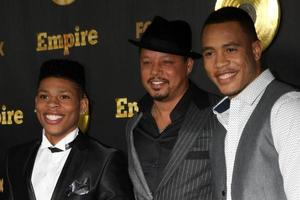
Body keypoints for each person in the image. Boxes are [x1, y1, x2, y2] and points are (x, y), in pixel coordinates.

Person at [201, 7, 300, 200]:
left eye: (230, 49)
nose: (220, 63)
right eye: (210, 53)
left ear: (255, 50)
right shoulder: (223, 119)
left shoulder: (288, 109)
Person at [3, 59, 134, 200]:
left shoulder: (105, 160)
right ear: (36, 103)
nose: (52, 104)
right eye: (44, 96)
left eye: (64, 97)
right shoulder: (15, 158)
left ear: (83, 106)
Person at [126, 16, 219, 200]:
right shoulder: (134, 124)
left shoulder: (218, 114)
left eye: (166, 62)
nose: (155, 71)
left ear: (188, 65)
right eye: (147, 62)